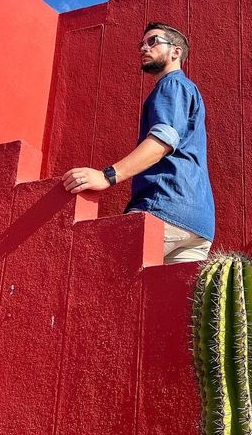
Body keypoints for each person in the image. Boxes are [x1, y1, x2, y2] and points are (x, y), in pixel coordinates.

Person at [62, 22, 215, 264]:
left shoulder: (172, 85)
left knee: (98, 270)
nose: (144, 48)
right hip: (198, 224)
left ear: (175, 52)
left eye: (153, 41)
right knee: (168, 290)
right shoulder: (190, 90)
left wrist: (107, 176)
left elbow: (162, 141)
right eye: (142, 44)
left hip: (163, 207)